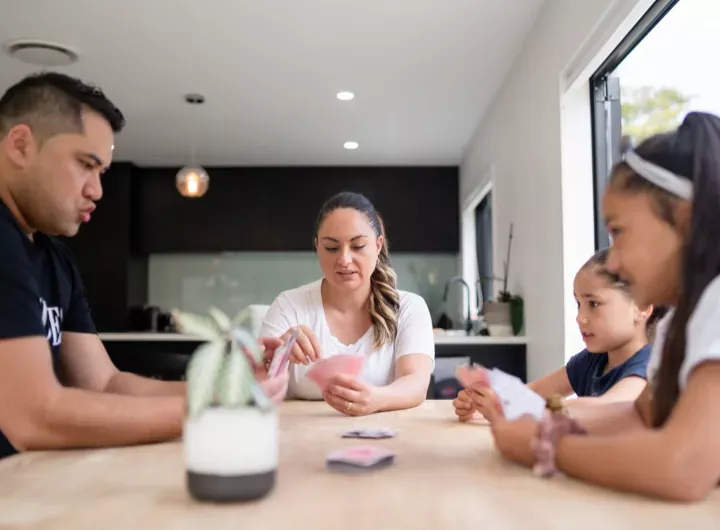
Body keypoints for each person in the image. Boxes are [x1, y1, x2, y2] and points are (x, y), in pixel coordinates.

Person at [0, 72, 286, 460]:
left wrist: (229, 387)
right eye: (86, 164)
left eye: (101, 173)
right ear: (20, 146)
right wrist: (216, 409)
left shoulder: (55, 259)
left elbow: (105, 384)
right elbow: (33, 416)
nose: (97, 191)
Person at [490, 111, 720, 501]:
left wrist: (543, 448)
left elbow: (683, 467)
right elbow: (638, 415)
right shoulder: (676, 325)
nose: (612, 263)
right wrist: (540, 422)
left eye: (619, 231)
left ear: (684, 221)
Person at [259, 191, 435, 416]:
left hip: (385, 436)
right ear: (317, 247)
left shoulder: (409, 308)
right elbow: (259, 390)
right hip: (301, 437)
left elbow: (416, 383)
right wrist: (276, 361)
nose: (344, 260)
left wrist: (376, 399)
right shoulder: (288, 306)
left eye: (358, 246)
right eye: (331, 248)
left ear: (378, 245)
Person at [453, 248, 662, 423]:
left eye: (594, 304)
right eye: (579, 304)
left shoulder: (650, 366)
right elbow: (534, 393)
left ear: (641, 307)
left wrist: (511, 409)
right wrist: (485, 399)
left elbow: (604, 409)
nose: (580, 318)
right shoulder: (591, 360)